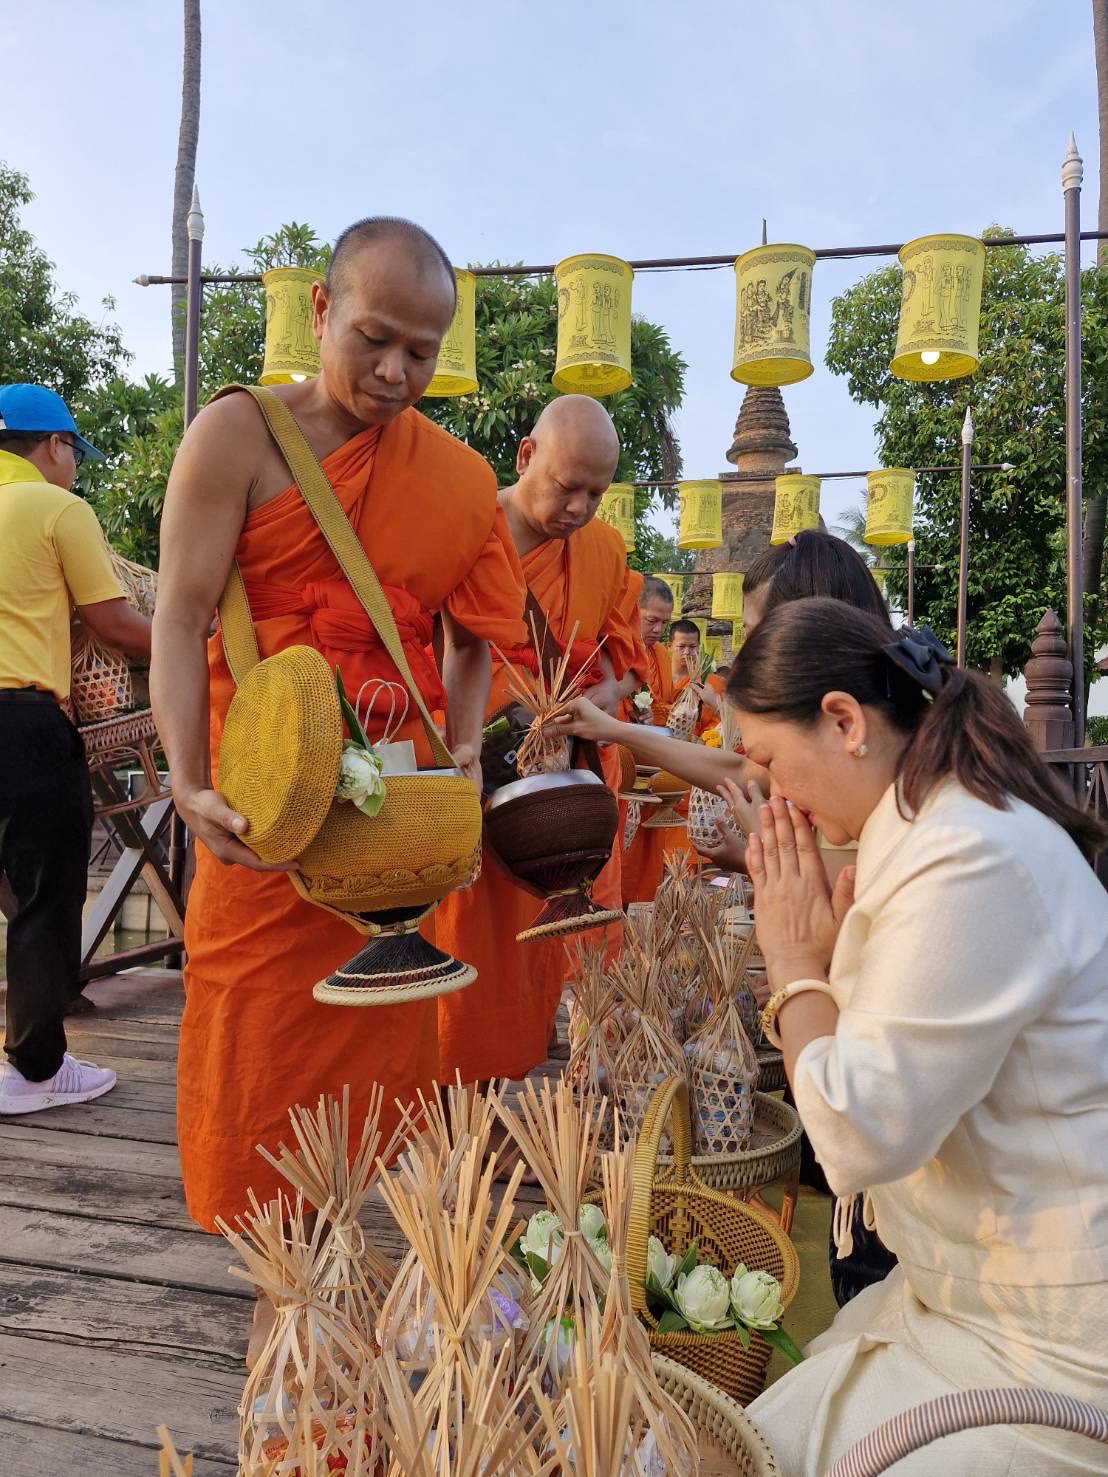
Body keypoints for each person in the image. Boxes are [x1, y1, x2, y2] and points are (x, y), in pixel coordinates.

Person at [151, 216, 527, 1275]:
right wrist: (186, 780)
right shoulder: (238, 436)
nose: (396, 371)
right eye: (374, 339)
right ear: (320, 309)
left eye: (422, 351)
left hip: (389, 835)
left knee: (376, 1067)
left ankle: (340, 1287)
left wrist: (462, 740)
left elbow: (474, 634)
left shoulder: (453, 478)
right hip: (264, 811)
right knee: (259, 1059)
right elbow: (178, 615)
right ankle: (282, 1289)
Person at [732, 600, 1108, 1475]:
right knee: (754, 1439)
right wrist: (825, 964)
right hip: (963, 1296)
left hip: (1053, 1340)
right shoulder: (930, 825)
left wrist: (795, 965)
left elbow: (858, 1133)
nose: (770, 793)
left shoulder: (966, 851)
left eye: (769, 761)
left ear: (843, 721)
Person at [435, 396, 640, 1086]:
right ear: (526, 456)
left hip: (561, 791)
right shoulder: (466, 531)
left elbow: (618, 663)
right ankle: (457, 1101)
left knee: (547, 948)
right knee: (470, 946)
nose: (580, 508)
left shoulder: (604, 551)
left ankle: (526, 1079)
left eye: (596, 493)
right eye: (566, 486)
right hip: (472, 772)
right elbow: (431, 649)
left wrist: (594, 701)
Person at [0, 384, 152, 1114]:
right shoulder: (56, 508)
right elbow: (114, 622)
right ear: (55, 445)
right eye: (75, 454)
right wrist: (203, 646)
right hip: (21, 722)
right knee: (44, 894)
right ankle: (35, 1072)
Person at [621, 575, 676, 905]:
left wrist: (653, 717)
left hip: (652, 766)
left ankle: (641, 906)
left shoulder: (662, 657)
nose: (657, 630)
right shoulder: (618, 648)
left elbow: (665, 705)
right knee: (621, 846)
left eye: (664, 623)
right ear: (634, 611)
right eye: (651, 620)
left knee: (648, 843)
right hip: (622, 764)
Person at [668, 618, 724, 733]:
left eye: (692, 647)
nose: (687, 652)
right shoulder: (659, 675)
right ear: (669, 646)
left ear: (698, 647)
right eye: (681, 646)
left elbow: (717, 722)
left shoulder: (711, 683)